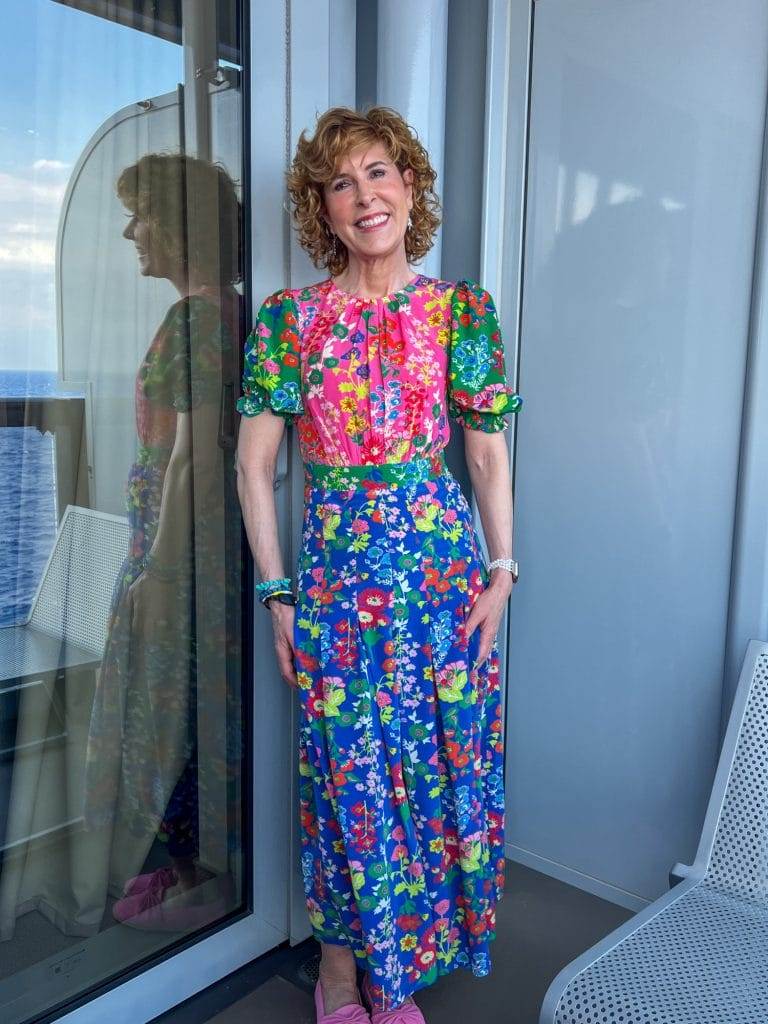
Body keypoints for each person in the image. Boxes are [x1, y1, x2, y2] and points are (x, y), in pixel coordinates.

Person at [236, 106, 522, 1023]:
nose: (366, 196)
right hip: (337, 588)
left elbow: (484, 457)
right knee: (344, 773)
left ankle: (401, 972)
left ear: (410, 187)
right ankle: (338, 977)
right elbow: (253, 465)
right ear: (323, 207)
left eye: (380, 173)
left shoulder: (460, 312)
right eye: (343, 182)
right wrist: (278, 595)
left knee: (440, 765)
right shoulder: (291, 321)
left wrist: (503, 570)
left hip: (442, 581)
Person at [84, 152, 242, 931]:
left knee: (169, 708)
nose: (130, 231)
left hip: (179, 555)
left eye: (142, 215)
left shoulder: (199, 318)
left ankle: (196, 880)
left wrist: (158, 572)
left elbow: (193, 458)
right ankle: (193, 870)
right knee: (198, 706)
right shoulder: (230, 310)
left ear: (178, 227)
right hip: (195, 552)